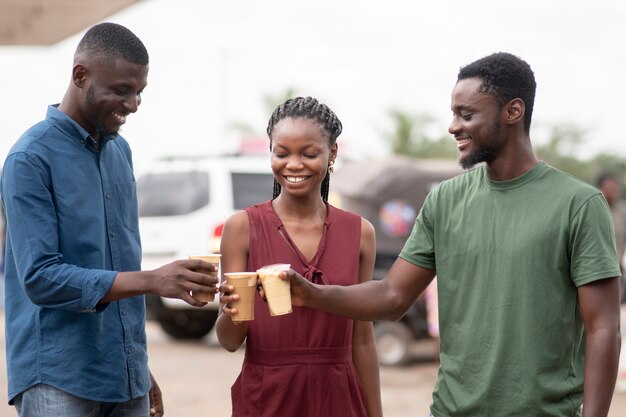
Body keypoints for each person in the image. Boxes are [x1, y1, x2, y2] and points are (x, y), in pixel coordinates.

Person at [281, 53, 622, 416]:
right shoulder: (444, 200)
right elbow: (393, 295)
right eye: (453, 113)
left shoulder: (578, 204)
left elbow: (603, 327)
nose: (453, 126)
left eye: (466, 114)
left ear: (513, 112)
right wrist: (312, 294)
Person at [0, 23, 217, 417]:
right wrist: (155, 280)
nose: (133, 104)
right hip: (57, 377)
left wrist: (138, 367)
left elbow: (118, 266)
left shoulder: (121, 154)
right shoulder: (29, 159)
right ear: (80, 75)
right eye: (121, 90)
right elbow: (40, 278)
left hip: (122, 378)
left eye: (139, 92)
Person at [216, 96, 383, 417]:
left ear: (331, 153)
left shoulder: (360, 232)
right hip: (268, 398)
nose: (293, 164)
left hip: (339, 397)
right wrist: (234, 308)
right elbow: (229, 341)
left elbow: (362, 339)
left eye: (308, 154)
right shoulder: (241, 228)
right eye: (281, 153)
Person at [597, 173, 626, 301]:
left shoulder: (622, 212)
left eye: (615, 189)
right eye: (610, 189)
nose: (614, 192)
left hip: (616, 266)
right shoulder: (592, 209)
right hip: (596, 268)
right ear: (600, 188)